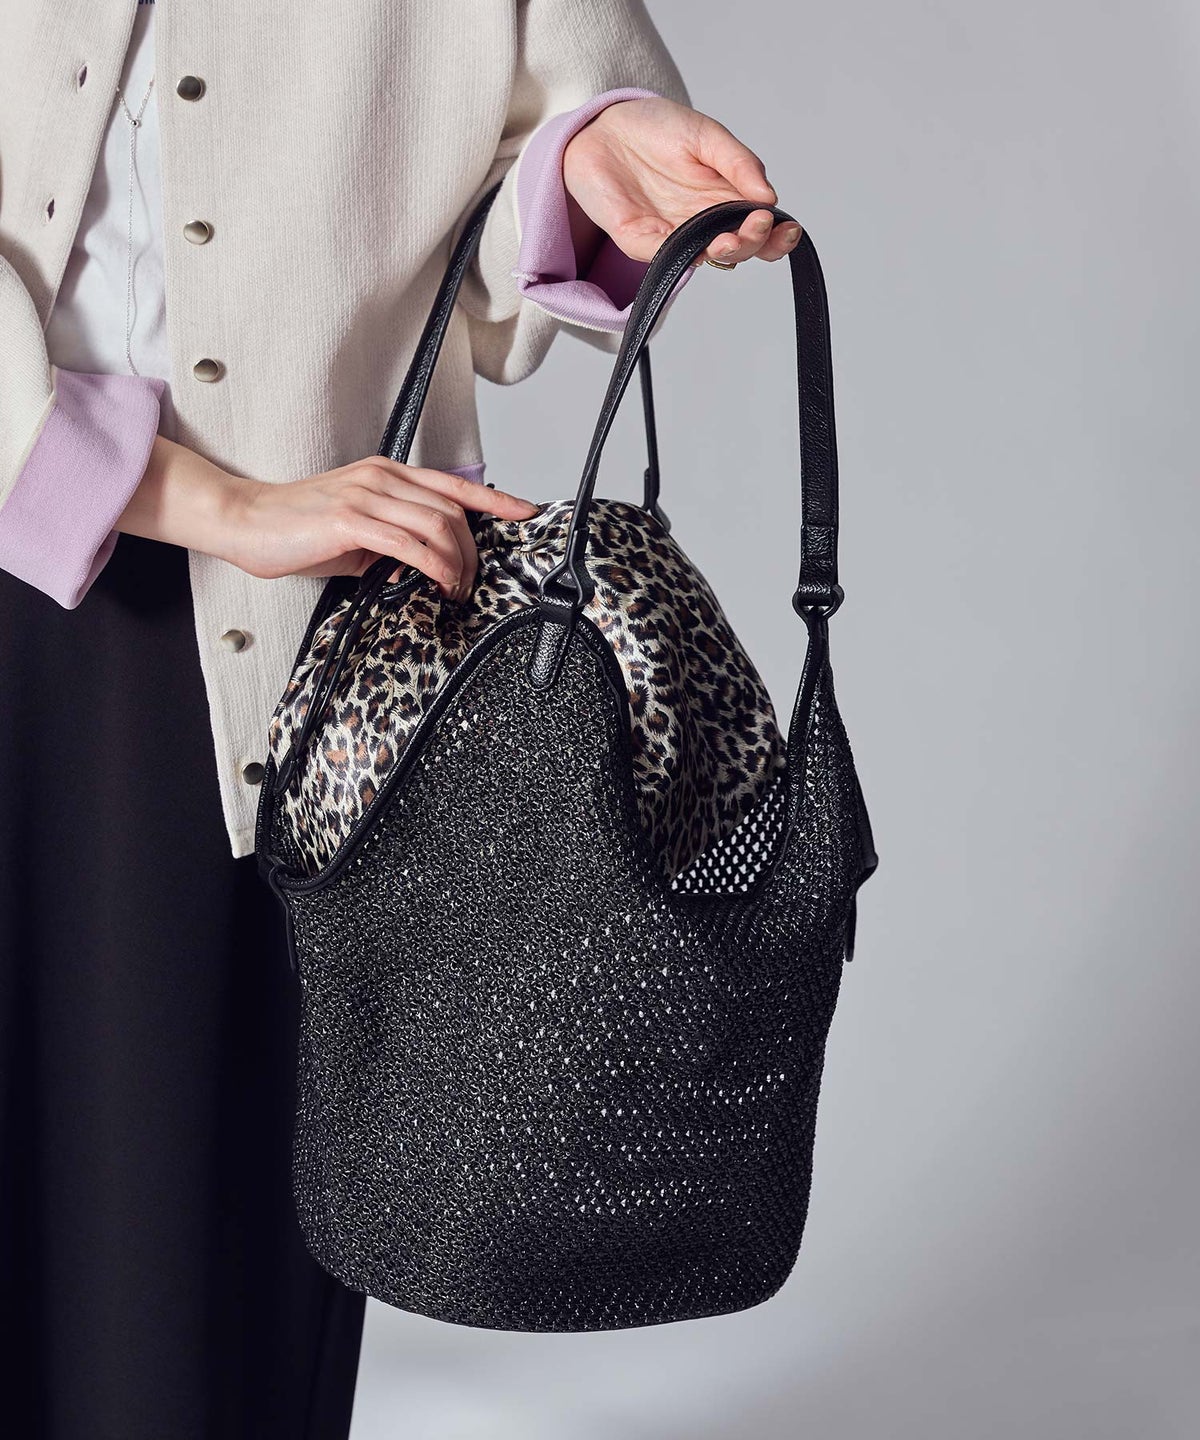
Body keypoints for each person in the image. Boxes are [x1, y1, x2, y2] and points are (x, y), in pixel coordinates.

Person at [0, 2, 801, 1435]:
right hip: (79, 560)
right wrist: (204, 498)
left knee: (181, 1303)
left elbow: (528, 181)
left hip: (289, 647)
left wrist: (584, 164)